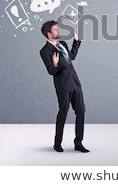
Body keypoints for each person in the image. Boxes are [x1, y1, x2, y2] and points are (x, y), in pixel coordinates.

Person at [40, 20, 89, 153]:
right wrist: (55, 64)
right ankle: (57, 143)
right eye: (55, 30)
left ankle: (78, 143)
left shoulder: (63, 44)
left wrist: (76, 40)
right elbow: (51, 71)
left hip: (75, 82)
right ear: (49, 34)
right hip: (63, 86)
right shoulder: (45, 51)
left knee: (81, 111)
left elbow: (71, 57)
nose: (58, 31)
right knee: (63, 112)